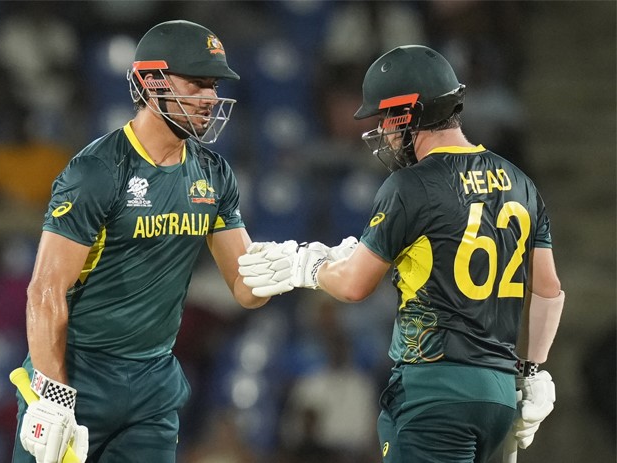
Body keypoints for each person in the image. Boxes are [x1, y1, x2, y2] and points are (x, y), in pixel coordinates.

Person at [238, 45, 564, 463]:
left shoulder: (411, 185)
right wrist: (531, 372)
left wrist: (307, 266)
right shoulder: (520, 182)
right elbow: (548, 290)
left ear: (407, 114)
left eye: (385, 119)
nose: (383, 132)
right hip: (498, 393)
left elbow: (354, 286)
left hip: (435, 389)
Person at [11, 20, 271, 463]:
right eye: (197, 83)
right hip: (79, 370)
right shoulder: (98, 170)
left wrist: (293, 268)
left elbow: (246, 291)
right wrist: (53, 395)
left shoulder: (213, 173)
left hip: (154, 382)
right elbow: (45, 290)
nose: (211, 98)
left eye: (214, 86)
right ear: (152, 83)